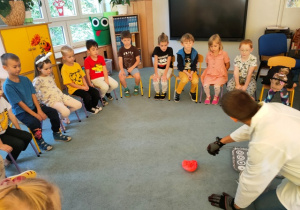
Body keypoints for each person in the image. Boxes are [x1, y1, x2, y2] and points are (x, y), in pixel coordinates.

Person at [207, 90, 300, 210]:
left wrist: (234, 205)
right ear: (251, 98)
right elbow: (251, 126)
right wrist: (220, 142)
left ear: (233, 118)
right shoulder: (275, 108)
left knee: (259, 205)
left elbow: (252, 181)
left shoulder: (263, 144)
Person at [2, 53, 72, 152]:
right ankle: (40, 140)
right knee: (34, 122)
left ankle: (56, 133)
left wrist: (39, 110)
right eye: (14, 67)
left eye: (19, 66)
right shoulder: (7, 86)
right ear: (5, 67)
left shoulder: (25, 79)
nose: (18, 68)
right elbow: (20, 103)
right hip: (21, 112)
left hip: (34, 106)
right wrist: (35, 114)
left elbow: (33, 95)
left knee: (52, 111)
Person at [32, 52, 82, 126]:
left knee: (78, 105)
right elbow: (34, 94)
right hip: (50, 101)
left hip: (60, 96)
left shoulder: (50, 75)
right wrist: (39, 106)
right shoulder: (37, 80)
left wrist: (62, 100)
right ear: (39, 69)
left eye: (50, 67)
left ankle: (61, 116)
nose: (49, 70)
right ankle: (61, 117)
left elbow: (54, 87)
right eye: (46, 69)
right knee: (66, 112)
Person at [60, 45, 101, 114]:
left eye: (73, 56)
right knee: (86, 96)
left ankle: (93, 106)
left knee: (96, 92)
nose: (72, 58)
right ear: (64, 58)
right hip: (74, 89)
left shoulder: (77, 65)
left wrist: (86, 85)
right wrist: (82, 87)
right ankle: (89, 108)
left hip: (83, 85)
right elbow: (69, 83)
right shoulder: (64, 69)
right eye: (69, 57)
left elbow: (82, 76)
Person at [0, 86, 32, 166]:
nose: (1, 92)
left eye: (0, 88)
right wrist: (1, 145)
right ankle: (8, 159)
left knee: (27, 136)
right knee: (19, 144)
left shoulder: (2, 99)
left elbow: (11, 114)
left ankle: (15, 151)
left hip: (5, 129)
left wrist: (18, 129)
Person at [84, 39, 118, 105]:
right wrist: (89, 83)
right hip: (94, 79)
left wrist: (106, 79)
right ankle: (101, 96)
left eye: (97, 49)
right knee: (105, 87)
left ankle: (107, 93)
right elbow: (87, 73)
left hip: (103, 76)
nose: (96, 51)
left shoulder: (101, 58)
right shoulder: (87, 60)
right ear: (88, 51)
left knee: (115, 84)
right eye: (93, 50)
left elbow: (104, 69)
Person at [201, 34, 230, 105]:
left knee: (217, 86)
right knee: (205, 85)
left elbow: (228, 64)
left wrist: (224, 70)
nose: (213, 48)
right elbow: (208, 65)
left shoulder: (224, 54)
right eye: (211, 46)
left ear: (219, 45)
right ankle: (208, 96)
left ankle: (216, 96)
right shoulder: (208, 54)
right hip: (210, 74)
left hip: (220, 74)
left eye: (215, 46)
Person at [174, 33, 198, 102]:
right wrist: (188, 74)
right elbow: (180, 66)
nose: (188, 44)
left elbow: (194, 65)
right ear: (182, 44)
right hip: (183, 71)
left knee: (195, 80)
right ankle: (178, 92)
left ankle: (192, 92)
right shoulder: (180, 53)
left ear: (193, 43)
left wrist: (191, 73)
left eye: (190, 43)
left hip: (192, 71)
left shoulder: (195, 53)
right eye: (186, 43)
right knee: (185, 79)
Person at [118, 30, 141, 97]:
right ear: (122, 40)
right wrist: (122, 70)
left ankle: (136, 87)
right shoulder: (121, 50)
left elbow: (138, 60)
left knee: (138, 76)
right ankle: (126, 89)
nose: (126, 42)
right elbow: (120, 61)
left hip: (133, 67)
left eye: (128, 40)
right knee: (121, 76)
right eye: (125, 40)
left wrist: (132, 68)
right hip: (124, 68)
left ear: (130, 39)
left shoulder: (134, 49)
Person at [152, 33, 173, 100]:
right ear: (158, 44)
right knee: (155, 80)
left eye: (165, 45)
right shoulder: (156, 49)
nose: (164, 47)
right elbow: (155, 62)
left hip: (168, 68)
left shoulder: (170, 49)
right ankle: (157, 92)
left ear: (168, 43)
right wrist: (156, 74)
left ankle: (164, 92)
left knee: (163, 80)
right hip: (159, 68)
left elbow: (168, 63)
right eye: (162, 45)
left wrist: (164, 74)